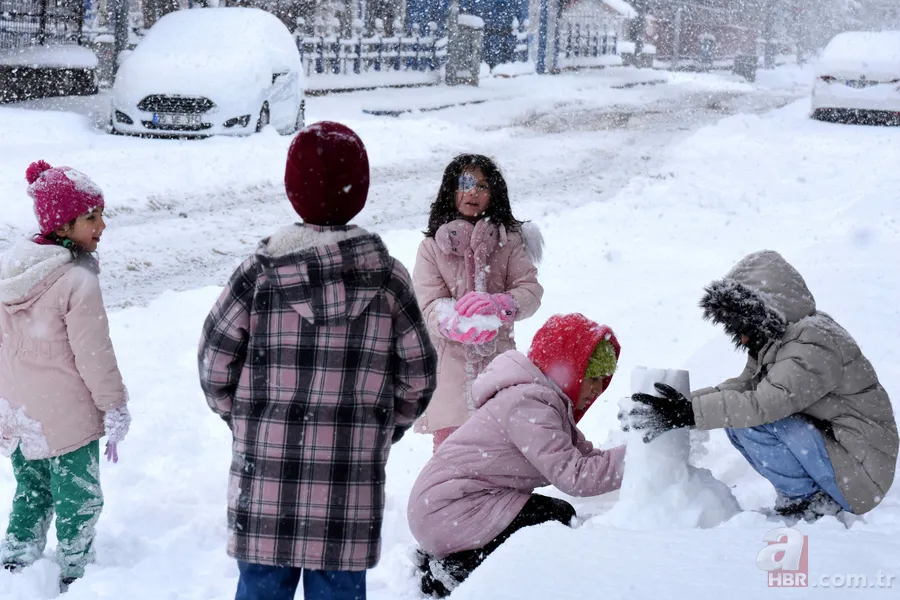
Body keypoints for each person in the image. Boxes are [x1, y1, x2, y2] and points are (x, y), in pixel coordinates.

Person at [197, 122, 437, 600]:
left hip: (266, 480)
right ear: (360, 192)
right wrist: (380, 427)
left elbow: (214, 363)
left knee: (261, 590)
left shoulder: (258, 276)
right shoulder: (388, 280)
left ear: (293, 190)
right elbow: (418, 375)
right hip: (347, 485)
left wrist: (247, 419)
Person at [621, 250, 898, 521]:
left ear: (763, 311)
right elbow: (743, 388)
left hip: (861, 471)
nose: (741, 339)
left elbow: (764, 403)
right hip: (846, 457)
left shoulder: (814, 341)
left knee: (749, 420)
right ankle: (806, 496)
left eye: (742, 326)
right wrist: (681, 406)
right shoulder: (783, 339)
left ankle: (810, 501)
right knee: (737, 419)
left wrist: (689, 412)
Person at [408, 313, 623, 597]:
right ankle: (455, 571)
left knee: (549, 517)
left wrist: (641, 451)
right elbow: (577, 476)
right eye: (592, 377)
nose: (597, 388)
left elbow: (584, 459)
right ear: (568, 368)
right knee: (552, 520)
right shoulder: (529, 404)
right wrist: (638, 458)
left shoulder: (542, 402)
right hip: (448, 509)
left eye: (603, 379)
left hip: (450, 506)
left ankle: (458, 557)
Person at [0, 161, 131, 593]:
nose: (102, 225)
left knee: (31, 489)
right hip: (68, 417)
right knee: (79, 497)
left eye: (101, 213)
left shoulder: (10, 271)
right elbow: (94, 355)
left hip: (21, 414)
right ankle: (77, 569)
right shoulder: (76, 279)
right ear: (63, 224)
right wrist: (113, 405)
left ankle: (16, 560)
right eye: (91, 216)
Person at [413, 154, 543, 452]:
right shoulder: (432, 248)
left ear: (493, 194)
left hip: (499, 367)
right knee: (451, 456)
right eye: (466, 184)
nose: (474, 193)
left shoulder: (508, 242)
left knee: (501, 450)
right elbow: (428, 302)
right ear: (451, 190)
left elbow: (531, 291)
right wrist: (451, 321)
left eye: (483, 186)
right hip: (451, 374)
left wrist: (501, 305)